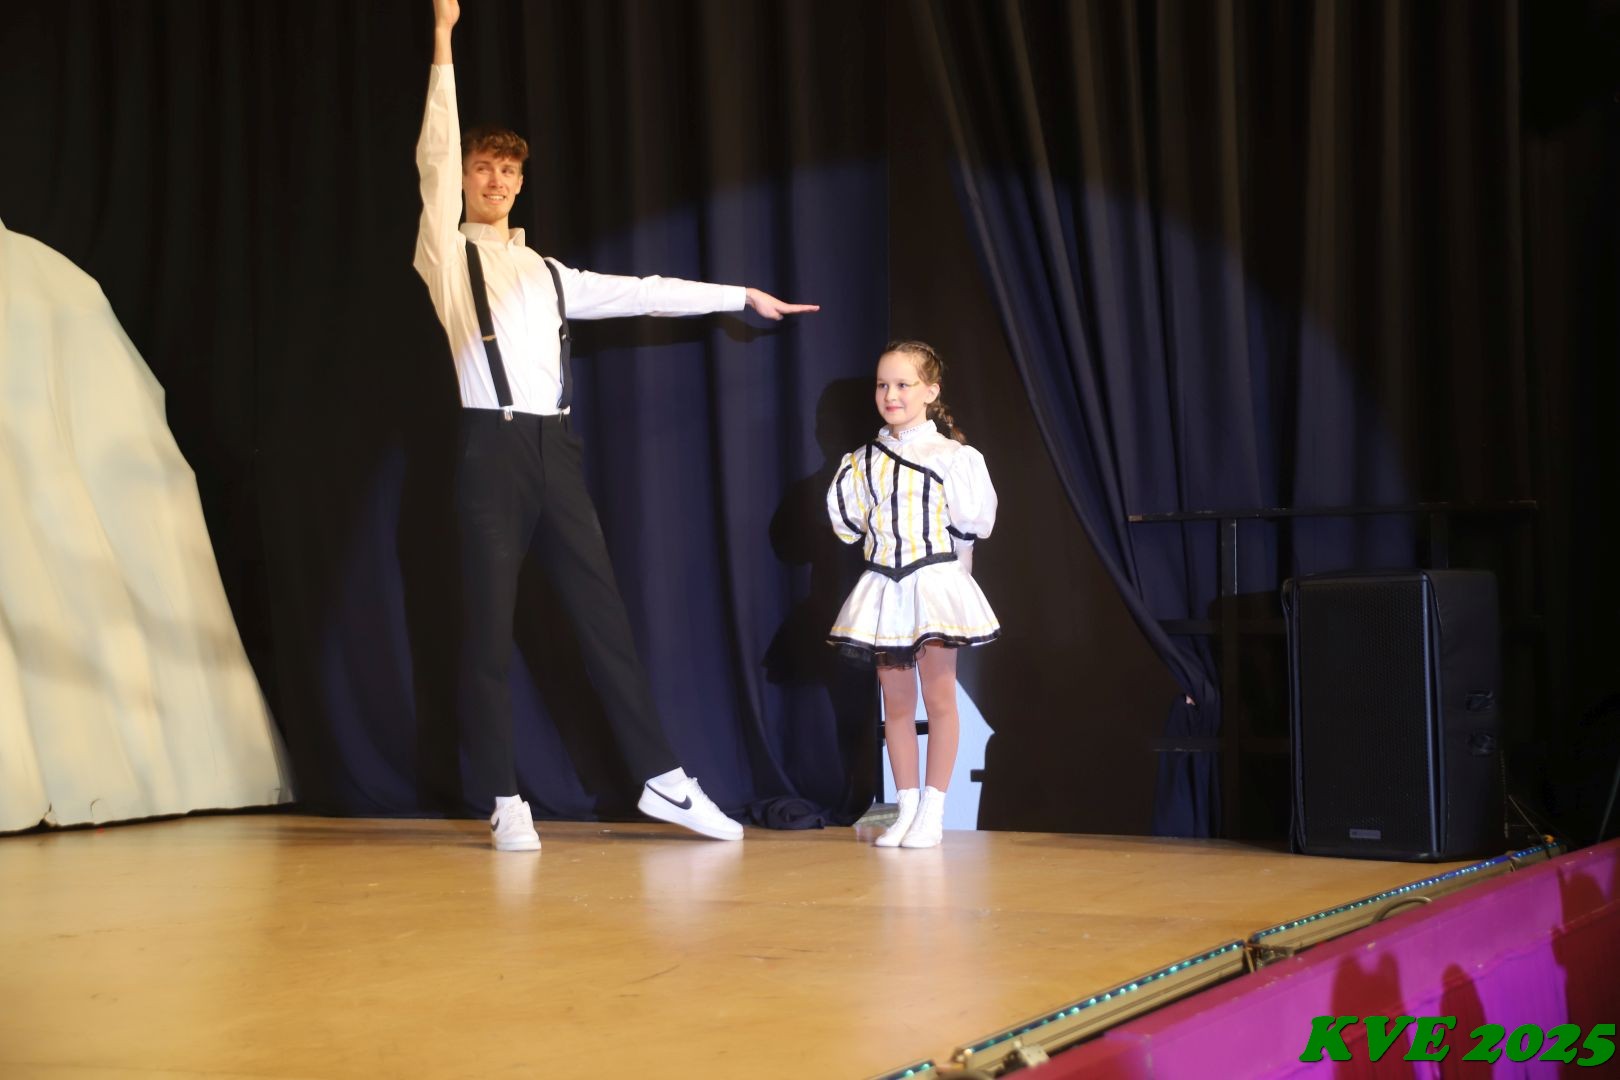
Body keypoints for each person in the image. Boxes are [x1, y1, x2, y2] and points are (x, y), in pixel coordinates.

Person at [416, 0, 819, 851]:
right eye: (484, 168)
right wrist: (444, 40)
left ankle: (663, 781)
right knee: (488, 631)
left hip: (554, 451)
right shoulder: (446, 256)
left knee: (605, 621)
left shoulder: (547, 271)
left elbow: (644, 291)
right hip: (490, 447)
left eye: (508, 171)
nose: (496, 181)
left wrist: (739, 295)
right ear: (465, 179)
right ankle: (504, 798)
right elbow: (434, 153)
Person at [825, 341, 998, 848]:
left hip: (934, 585)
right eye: (883, 385)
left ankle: (933, 812)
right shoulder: (861, 463)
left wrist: (959, 591)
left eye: (903, 384)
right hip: (885, 588)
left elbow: (968, 532)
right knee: (895, 705)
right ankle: (904, 809)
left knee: (940, 700)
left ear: (931, 391)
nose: (891, 394)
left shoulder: (953, 457)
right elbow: (851, 527)